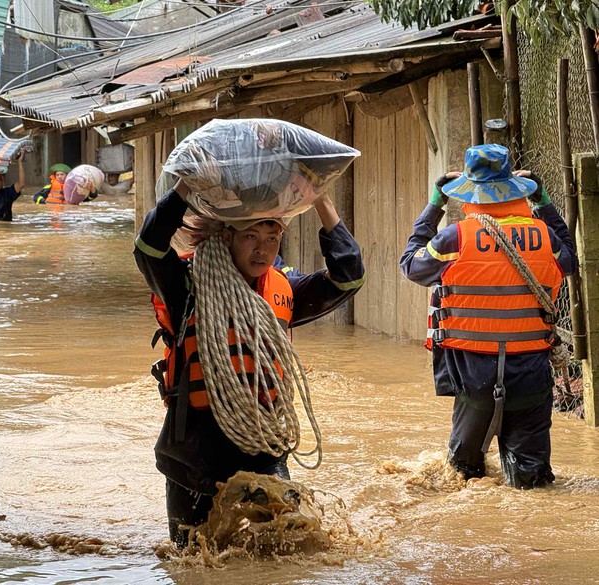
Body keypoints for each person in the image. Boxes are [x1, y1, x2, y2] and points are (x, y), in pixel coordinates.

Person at [134, 178, 365, 546]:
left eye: (272, 238)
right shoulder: (188, 286)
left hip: (263, 448)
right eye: (250, 237)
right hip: (194, 452)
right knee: (190, 559)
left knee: (291, 548)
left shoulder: (285, 289)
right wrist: (183, 189)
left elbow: (348, 279)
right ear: (226, 237)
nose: (263, 250)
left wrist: (322, 202)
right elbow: (148, 247)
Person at [399, 143, 576, 489]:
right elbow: (570, 258)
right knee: (532, 482)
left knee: (460, 476)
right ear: (515, 188)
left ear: (469, 192)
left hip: (473, 374)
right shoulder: (545, 238)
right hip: (530, 372)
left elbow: (411, 265)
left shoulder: (454, 238)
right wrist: (543, 202)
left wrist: (435, 204)